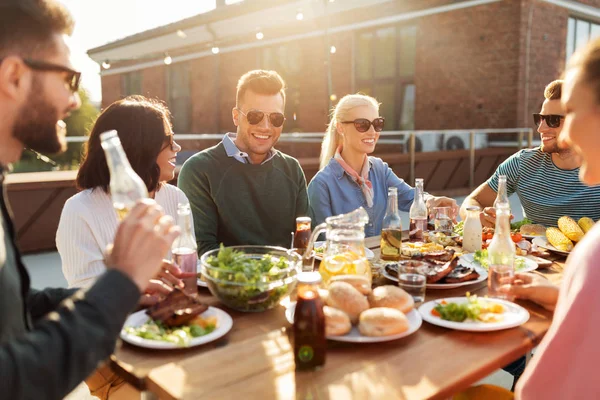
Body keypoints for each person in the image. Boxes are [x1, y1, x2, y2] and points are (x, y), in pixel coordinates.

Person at [0, 2, 179, 399]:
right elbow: (14, 380)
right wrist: (121, 281)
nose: (76, 101)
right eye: (68, 78)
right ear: (14, 76)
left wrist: (124, 291)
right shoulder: (80, 209)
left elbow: (14, 308)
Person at [508, 37, 600, 399]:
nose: (563, 132)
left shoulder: (594, 251)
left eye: (572, 112)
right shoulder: (524, 162)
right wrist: (564, 295)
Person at [57, 96, 189, 299]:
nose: (177, 147)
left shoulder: (176, 198)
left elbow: (187, 267)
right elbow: (84, 291)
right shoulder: (79, 210)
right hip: (118, 325)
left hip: (174, 315)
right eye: (168, 140)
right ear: (140, 146)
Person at [178, 70, 309, 255]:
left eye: (275, 118)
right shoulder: (198, 170)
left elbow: (305, 243)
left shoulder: (292, 169)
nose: (265, 127)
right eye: (254, 116)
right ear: (235, 116)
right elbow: (203, 250)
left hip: (284, 279)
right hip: (226, 282)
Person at [307, 93, 458, 237]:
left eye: (377, 124)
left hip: (382, 261)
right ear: (341, 128)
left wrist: (431, 201)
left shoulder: (380, 169)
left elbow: (409, 197)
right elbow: (323, 246)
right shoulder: (320, 185)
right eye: (362, 124)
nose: (372, 132)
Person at [460, 80, 600, 228]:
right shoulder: (522, 163)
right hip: (534, 250)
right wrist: (477, 217)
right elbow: (473, 201)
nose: (541, 128)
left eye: (552, 120)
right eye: (540, 119)